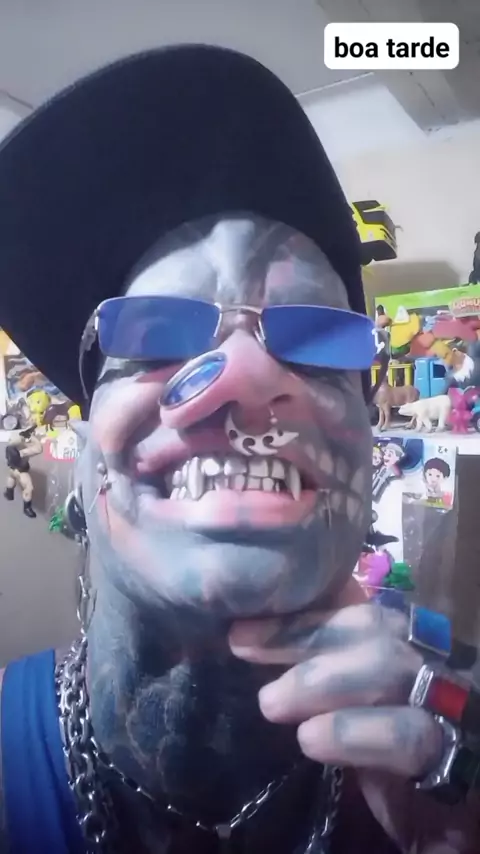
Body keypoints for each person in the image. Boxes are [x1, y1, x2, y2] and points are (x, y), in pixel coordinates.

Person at [0, 44, 478, 854]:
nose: (250, 376)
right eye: (156, 330)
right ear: (81, 458)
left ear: (368, 448)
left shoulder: (454, 746)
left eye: (316, 339)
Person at [3, 426, 42, 518]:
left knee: (12, 475)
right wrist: (33, 438)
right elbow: (39, 449)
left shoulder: (11, 445)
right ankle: (27, 508)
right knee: (29, 487)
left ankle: (9, 492)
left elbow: (13, 440)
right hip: (21, 470)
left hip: (13, 467)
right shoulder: (23, 451)